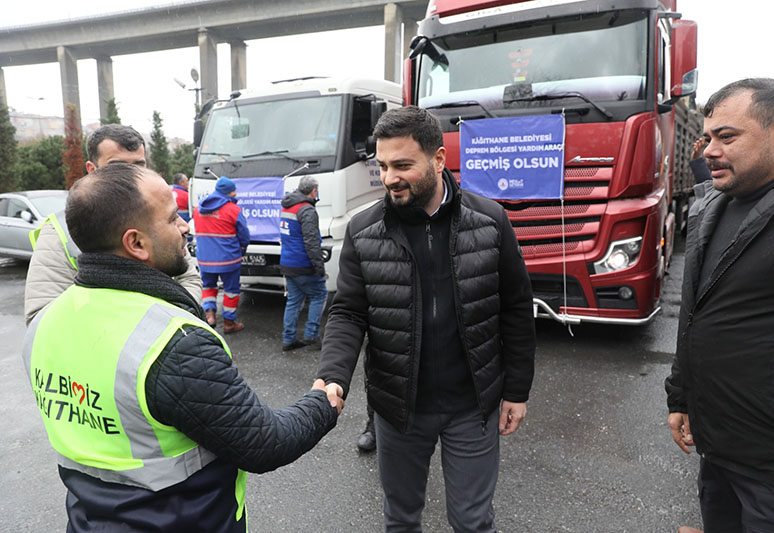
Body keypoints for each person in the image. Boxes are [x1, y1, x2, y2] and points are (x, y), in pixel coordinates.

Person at [21, 163, 342, 532]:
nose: (185, 226)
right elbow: (263, 442)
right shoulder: (172, 344)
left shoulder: (45, 322)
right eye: (173, 218)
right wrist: (322, 403)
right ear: (136, 243)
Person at [316, 106, 536, 532]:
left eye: (402, 165)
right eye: (381, 166)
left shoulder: (490, 222)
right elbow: (347, 312)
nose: (389, 178)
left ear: (438, 160)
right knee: (400, 520)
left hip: (474, 406)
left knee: (473, 523)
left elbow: (515, 309)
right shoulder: (364, 232)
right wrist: (332, 375)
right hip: (399, 408)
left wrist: (517, 390)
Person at [665, 78, 774, 533]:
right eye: (708, 137)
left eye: (727, 136)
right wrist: (681, 396)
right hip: (718, 452)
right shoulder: (713, 206)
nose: (708, 150)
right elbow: (695, 314)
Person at [24, 123, 202, 325]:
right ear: (92, 170)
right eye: (117, 166)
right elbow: (40, 316)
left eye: (138, 165)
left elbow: (190, 278)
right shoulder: (59, 231)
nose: (130, 175)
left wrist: (173, 327)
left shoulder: (164, 219)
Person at [194, 176, 250, 333]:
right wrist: (242, 249)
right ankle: (229, 323)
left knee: (208, 286)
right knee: (231, 290)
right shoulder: (233, 210)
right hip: (228, 259)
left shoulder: (198, 209)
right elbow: (244, 235)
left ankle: (210, 315)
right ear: (230, 192)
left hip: (205, 259)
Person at [279, 176, 328, 351]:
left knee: (293, 300)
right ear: (313, 191)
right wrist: (320, 268)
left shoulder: (288, 205)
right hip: (303, 264)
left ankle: (289, 339)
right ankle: (311, 335)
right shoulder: (307, 210)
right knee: (319, 295)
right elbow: (311, 242)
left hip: (288, 262)